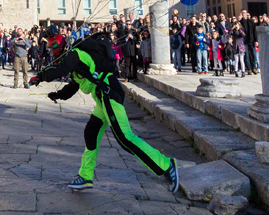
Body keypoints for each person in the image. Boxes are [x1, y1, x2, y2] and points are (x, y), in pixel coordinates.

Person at [30, 31, 179, 193]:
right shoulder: (75, 59)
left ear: (59, 47)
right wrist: (58, 95)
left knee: (125, 138)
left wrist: (40, 76)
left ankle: (166, 165)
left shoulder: (74, 55)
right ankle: (85, 176)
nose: (51, 53)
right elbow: (74, 85)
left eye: (52, 49)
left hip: (109, 94)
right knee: (91, 133)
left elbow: (60, 69)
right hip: (103, 98)